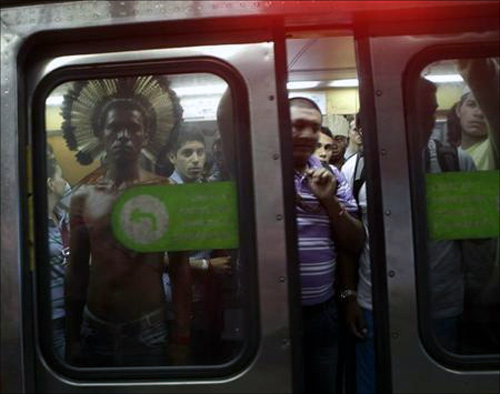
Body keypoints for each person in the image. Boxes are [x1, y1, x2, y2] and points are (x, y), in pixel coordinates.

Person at [63, 76, 192, 367]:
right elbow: (77, 271)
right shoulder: (82, 197)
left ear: (146, 135)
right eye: (114, 127)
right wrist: (72, 336)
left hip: (149, 328)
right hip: (93, 327)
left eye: (133, 128)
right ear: (101, 133)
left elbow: (180, 268)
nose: (124, 136)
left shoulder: (166, 192)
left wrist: (181, 336)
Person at [290, 97, 364, 394]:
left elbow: (354, 243)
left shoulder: (332, 176)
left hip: (322, 312)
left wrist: (329, 200)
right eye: (298, 125)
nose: (308, 134)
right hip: (270, 316)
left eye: (314, 127)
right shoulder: (258, 173)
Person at [47, 152, 71, 359]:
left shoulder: (62, 218)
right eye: (60, 178)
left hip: (69, 309)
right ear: (50, 184)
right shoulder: (33, 223)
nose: (65, 183)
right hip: (50, 314)